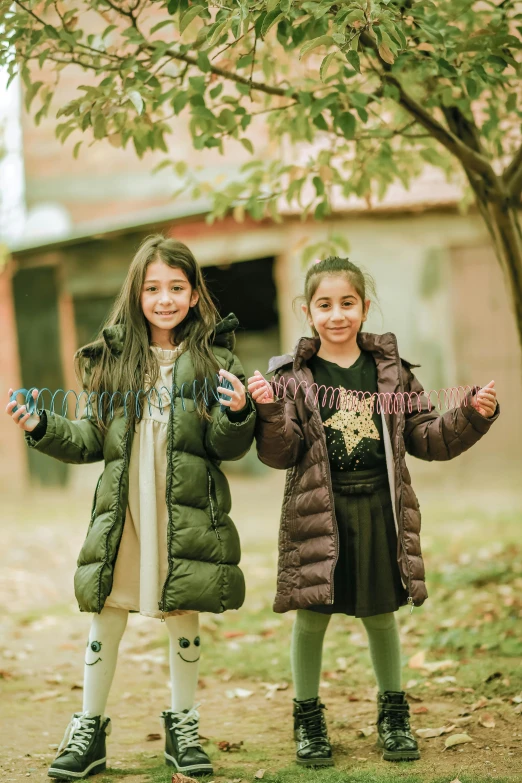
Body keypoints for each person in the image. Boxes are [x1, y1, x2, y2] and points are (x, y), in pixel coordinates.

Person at [6, 235, 255, 780]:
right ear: (137, 293)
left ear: (194, 295)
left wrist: (238, 413)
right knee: (107, 614)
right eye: (153, 288)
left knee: (181, 612)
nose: (164, 298)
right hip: (126, 511)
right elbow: (90, 439)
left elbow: (225, 448)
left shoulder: (217, 360)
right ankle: (89, 729)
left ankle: (183, 726)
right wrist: (42, 426)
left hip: (184, 510)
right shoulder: (115, 360)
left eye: (176, 287)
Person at [247, 256, 498, 766]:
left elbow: (426, 438)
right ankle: (308, 718)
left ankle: (393, 713)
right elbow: (282, 453)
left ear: (364, 307)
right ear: (306, 310)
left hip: (381, 507)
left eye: (347, 303)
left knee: (382, 615)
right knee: (312, 617)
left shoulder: (392, 374)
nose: (336, 314)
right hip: (320, 510)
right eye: (324, 305)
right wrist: (270, 410)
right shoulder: (293, 377)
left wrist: (472, 416)